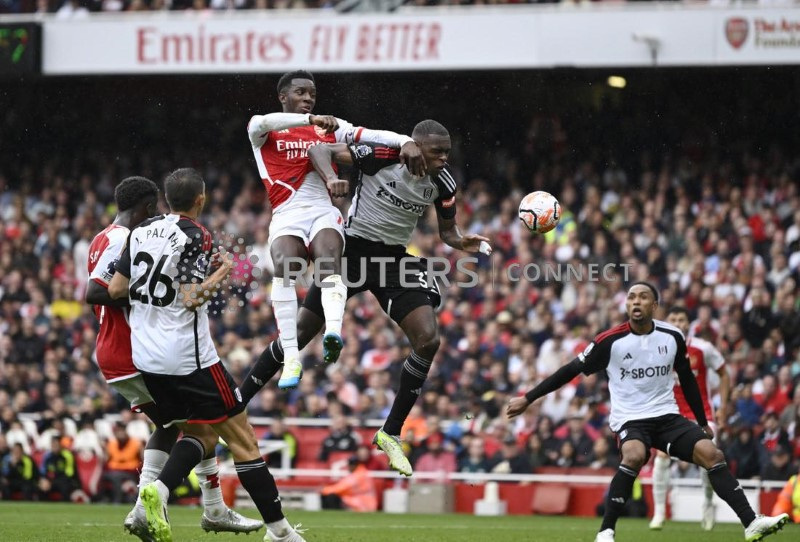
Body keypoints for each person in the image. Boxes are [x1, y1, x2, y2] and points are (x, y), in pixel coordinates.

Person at [240, 119, 492, 477]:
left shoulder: (443, 181)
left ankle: (390, 432)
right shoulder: (380, 155)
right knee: (298, 335)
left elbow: (448, 231)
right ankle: (239, 400)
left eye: (447, 152)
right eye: (437, 152)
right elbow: (318, 150)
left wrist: (461, 241)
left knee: (428, 339)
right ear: (416, 146)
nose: (444, 159)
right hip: (352, 253)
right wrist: (331, 177)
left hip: (392, 261)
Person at [507, 282, 790, 542]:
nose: (636, 301)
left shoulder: (672, 336)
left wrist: (703, 422)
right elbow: (570, 370)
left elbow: (688, 379)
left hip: (666, 416)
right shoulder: (609, 341)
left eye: (643, 297)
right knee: (634, 455)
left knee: (712, 454)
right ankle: (606, 531)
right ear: (627, 306)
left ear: (654, 305)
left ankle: (751, 523)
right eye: (631, 297)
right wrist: (528, 398)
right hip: (630, 418)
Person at [108, 168, 304, 542]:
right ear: (200, 199)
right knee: (243, 439)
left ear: (167, 199)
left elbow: (117, 289)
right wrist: (222, 274)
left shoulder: (139, 233)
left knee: (201, 434)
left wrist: (157, 290)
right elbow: (191, 297)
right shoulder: (196, 234)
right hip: (188, 357)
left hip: (147, 358)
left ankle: (159, 489)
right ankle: (280, 533)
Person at [85, 176, 261, 538]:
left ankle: (179, 509)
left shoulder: (102, 237)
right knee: (202, 428)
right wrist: (156, 290)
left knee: (177, 426)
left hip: (118, 350)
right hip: (132, 349)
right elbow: (96, 291)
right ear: (149, 207)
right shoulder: (122, 239)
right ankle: (197, 509)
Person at [246, 69, 425, 389]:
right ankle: (290, 358)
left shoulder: (332, 127)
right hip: (286, 213)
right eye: (300, 93)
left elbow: (371, 134)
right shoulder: (265, 129)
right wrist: (310, 121)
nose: (307, 98)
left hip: (322, 211)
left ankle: (333, 331)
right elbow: (262, 123)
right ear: (282, 97)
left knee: (329, 260)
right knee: (285, 268)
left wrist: (406, 141)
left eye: (311, 93)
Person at [650, 305, 731, 531]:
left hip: (701, 413)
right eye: (673, 318)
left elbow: (724, 374)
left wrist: (723, 406)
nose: (678, 323)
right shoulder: (656, 349)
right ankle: (658, 511)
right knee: (661, 457)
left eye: (682, 319)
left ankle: (707, 502)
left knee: (709, 458)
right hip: (670, 413)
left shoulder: (703, 348)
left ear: (689, 323)